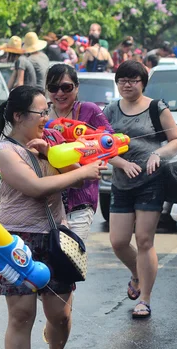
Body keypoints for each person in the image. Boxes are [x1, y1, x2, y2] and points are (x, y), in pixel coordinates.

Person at [0, 86, 105, 349]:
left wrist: (49, 153)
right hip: (17, 241)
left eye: (47, 111)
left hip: (57, 238)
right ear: (19, 116)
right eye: (41, 112)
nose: (47, 117)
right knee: (21, 316)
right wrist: (82, 173)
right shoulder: (4, 151)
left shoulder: (50, 143)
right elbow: (35, 187)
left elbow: (78, 181)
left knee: (60, 316)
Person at [103, 60, 177, 319]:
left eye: (133, 80)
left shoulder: (156, 108)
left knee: (145, 240)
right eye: (122, 80)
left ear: (143, 83)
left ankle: (145, 299)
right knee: (117, 241)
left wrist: (157, 154)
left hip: (151, 182)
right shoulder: (110, 110)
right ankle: (137, 273)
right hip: (121, 182)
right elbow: (100, 146)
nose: (127, 85)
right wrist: (121, 163)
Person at [47, 63, 114, 240]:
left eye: (66, 87)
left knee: (72, 257)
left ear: (76, 88)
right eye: (53, 88)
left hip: (80, 198)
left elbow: (110, 140)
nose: (60, 93)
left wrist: (87, 148)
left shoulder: (88, 110)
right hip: (47, 198)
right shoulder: (42, 114)